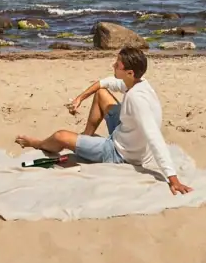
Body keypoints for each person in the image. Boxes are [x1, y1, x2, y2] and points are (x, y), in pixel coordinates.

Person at [16, 46, 192, 195]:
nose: (113, 65)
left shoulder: (137, 100)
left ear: (129, 72)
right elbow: (103, 83)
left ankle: (38, 143)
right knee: (101, 93)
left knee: (60, 136)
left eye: (117, 65)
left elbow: (155, 138)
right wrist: (80, 98)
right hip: (125, 133)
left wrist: (173, 178)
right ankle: (86, 138)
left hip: (121, 153)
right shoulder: (139, 82)